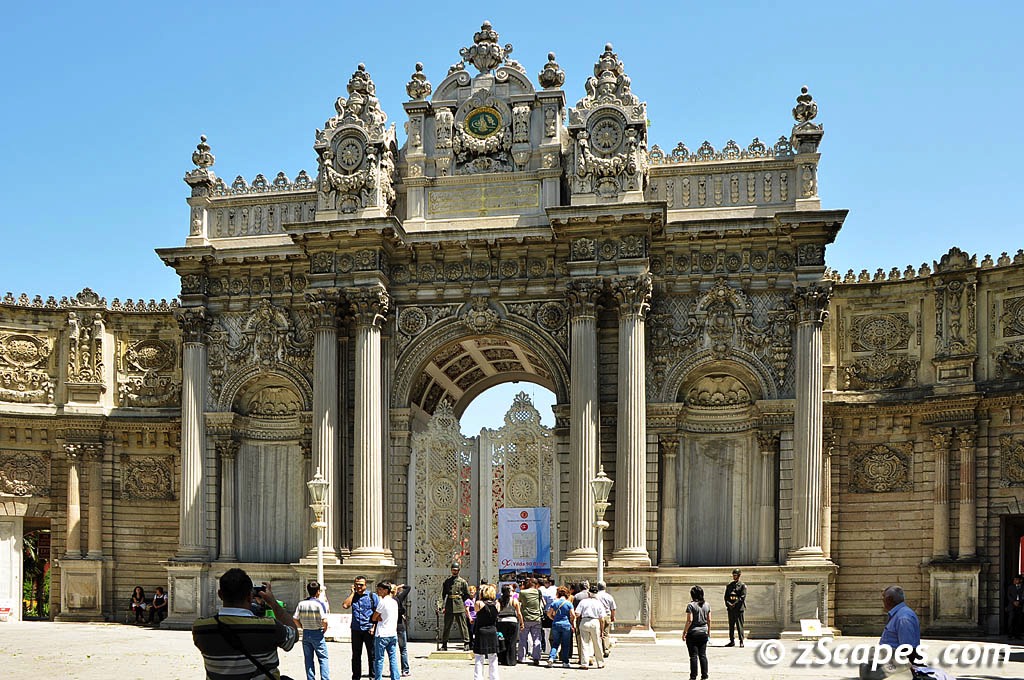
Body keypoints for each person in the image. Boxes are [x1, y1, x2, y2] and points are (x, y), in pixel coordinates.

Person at [192, 568, 297, 680]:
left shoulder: (200, 628)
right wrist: (273, 603)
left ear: (220, 594)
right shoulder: (269, 627)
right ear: (250, 596)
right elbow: (293, 635)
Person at [342, 575, 378, 680]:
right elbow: (345, 605)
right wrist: (352, 593)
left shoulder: (372, 596)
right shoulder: (353, 596)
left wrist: (374, 627)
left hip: (369, 629)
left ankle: (373, 676)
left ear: (366, 585)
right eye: (356, 584)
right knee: (356, 655)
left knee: (372, 655)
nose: (359, 587)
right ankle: (356, 677)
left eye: (361, 585)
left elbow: (378, 612)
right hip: (356, 629)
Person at [294, 581, 330, 680]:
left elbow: (295, 618)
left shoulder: (301, 603)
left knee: (308, 658)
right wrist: (324, 629)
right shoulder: (319, 604)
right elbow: (324, 620)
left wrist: (302, 626)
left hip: (306, 632)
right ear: (318, 591)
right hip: (317, 632)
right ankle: (325, 678)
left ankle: (310, 678)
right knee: (323, 658)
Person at [371, 581, 400, 680]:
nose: (378, 591)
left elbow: (374, 617)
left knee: (379, 659)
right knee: (393, 658)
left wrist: (378, 617)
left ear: (386, 590)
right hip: (392, 633)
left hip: (382, 633)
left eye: (380, 589)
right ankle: (395, 677)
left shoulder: (382, 602)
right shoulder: (394, 602)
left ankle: (378, 678)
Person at [682, 585, 711, 680]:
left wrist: (684, 632)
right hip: (703, 632)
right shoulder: (707, 605)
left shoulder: (691, 605)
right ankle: (704, 675)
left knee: (693, 656)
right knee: (703, 655)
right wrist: (708, 631)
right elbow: (709, 620)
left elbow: (689, 620)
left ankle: (693, 676)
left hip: (693, 633)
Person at [473, 584, 501, 680]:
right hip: (492, 630)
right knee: (493, 656)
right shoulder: (497, 604)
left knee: (479, 656)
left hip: (481, 631)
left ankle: (478, 677)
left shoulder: (479, 603)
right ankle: (494, 677)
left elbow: (476, 612)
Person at [440, 562, 471, 651]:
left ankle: (466, 643)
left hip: (459, 605)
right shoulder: (447, 581)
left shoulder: (462, 582)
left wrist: (461, 600)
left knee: (463, 625)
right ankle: (444, 643)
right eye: (453, 570)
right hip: (449, 605)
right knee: (447, 626)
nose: (455, 572)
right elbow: (442, 594)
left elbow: (467, 594)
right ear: (451, 570)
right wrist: (440, 605)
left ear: (459, 571)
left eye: (456, 570)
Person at [574, 584, 605, 669]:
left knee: (584, 643)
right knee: (597, 643)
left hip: (584, 621)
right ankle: (600, 663)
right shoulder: (599, 603)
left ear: (588, 593)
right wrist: (602, 630)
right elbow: (602, 618)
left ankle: (584, 663)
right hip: (595, 621)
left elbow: (577, 613)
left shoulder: (583, 601)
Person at [546, 585, 576, 668]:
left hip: (556, 624)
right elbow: (573, 615)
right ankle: (565, 661)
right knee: (565, 644)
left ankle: (551, 658)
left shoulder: (554, 603)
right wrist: (572, 622)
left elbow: (549, 614)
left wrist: (553, 618)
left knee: (555, 643)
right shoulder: (569, 603)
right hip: (566, 624)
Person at [517, 577, 544, 665]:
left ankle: (522, 658)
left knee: (523, 639)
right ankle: (536, 657)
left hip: (525, 618)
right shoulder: (538, 592)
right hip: (536, 618)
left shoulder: (523, 592)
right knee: (537, 639)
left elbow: (520, 601)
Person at [495, 584, 522, 666]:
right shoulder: (514, 600)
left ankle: (502, 659)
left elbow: (497, 611)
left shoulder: (499, 600)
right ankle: (511, 660)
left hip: (501, 622)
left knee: (502, 640)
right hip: (512, 621)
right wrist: (521, 622)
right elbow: (519, 613)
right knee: (512, 641)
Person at [393, 583, 412, 677]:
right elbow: (408, 588)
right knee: (403, 649)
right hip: (399, 626)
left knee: (390, 651)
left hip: (391, 627)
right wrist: (399, 586)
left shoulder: (385, 600)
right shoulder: (398, 599)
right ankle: (405, 670)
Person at [724, 569, 746, 647]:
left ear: (739, 576)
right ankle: (732, 640)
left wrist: (735, 604)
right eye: (733, 575)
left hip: (738, 608)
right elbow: (726, 597)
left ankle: (741, 641)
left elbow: (742, 597)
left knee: (739, 625)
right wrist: (729, 604)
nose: (734, 577)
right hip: (731, 609)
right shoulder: (729, 585)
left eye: (735, 575)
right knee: (731, 625)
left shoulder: (742, 585)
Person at [595, 582, 616, 658]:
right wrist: (612, 617)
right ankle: (606, 649)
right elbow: (613, 608)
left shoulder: (595, 596)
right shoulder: (609, 596)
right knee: (605, 633)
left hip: (597, 616)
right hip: (606, 616)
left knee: (596, 633)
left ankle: (597, 650)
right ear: (605, 587)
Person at [1008, 574, 1024, 639]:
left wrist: (1019, 601)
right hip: (1012, 606)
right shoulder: (1011, 587)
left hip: (1020, 605)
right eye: (1014, 579)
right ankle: (1010, 634)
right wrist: (1013, 602)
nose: (1015, 581)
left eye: (1016, 579)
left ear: (1020, 580)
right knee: (1011, 620)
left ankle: (1018, 635)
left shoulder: (1023, 587)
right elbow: (1009, 595)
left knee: (1019, 621)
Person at [465, 585, 478, 649]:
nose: (471, 593)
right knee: (471, 631)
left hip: (476, 617)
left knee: (476, 631)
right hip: (471, 618)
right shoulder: (468, 601)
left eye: (472, 592)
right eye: (470, 592)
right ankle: (471, 644)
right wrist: (470, 618)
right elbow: (467, 610)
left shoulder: (476, 600)